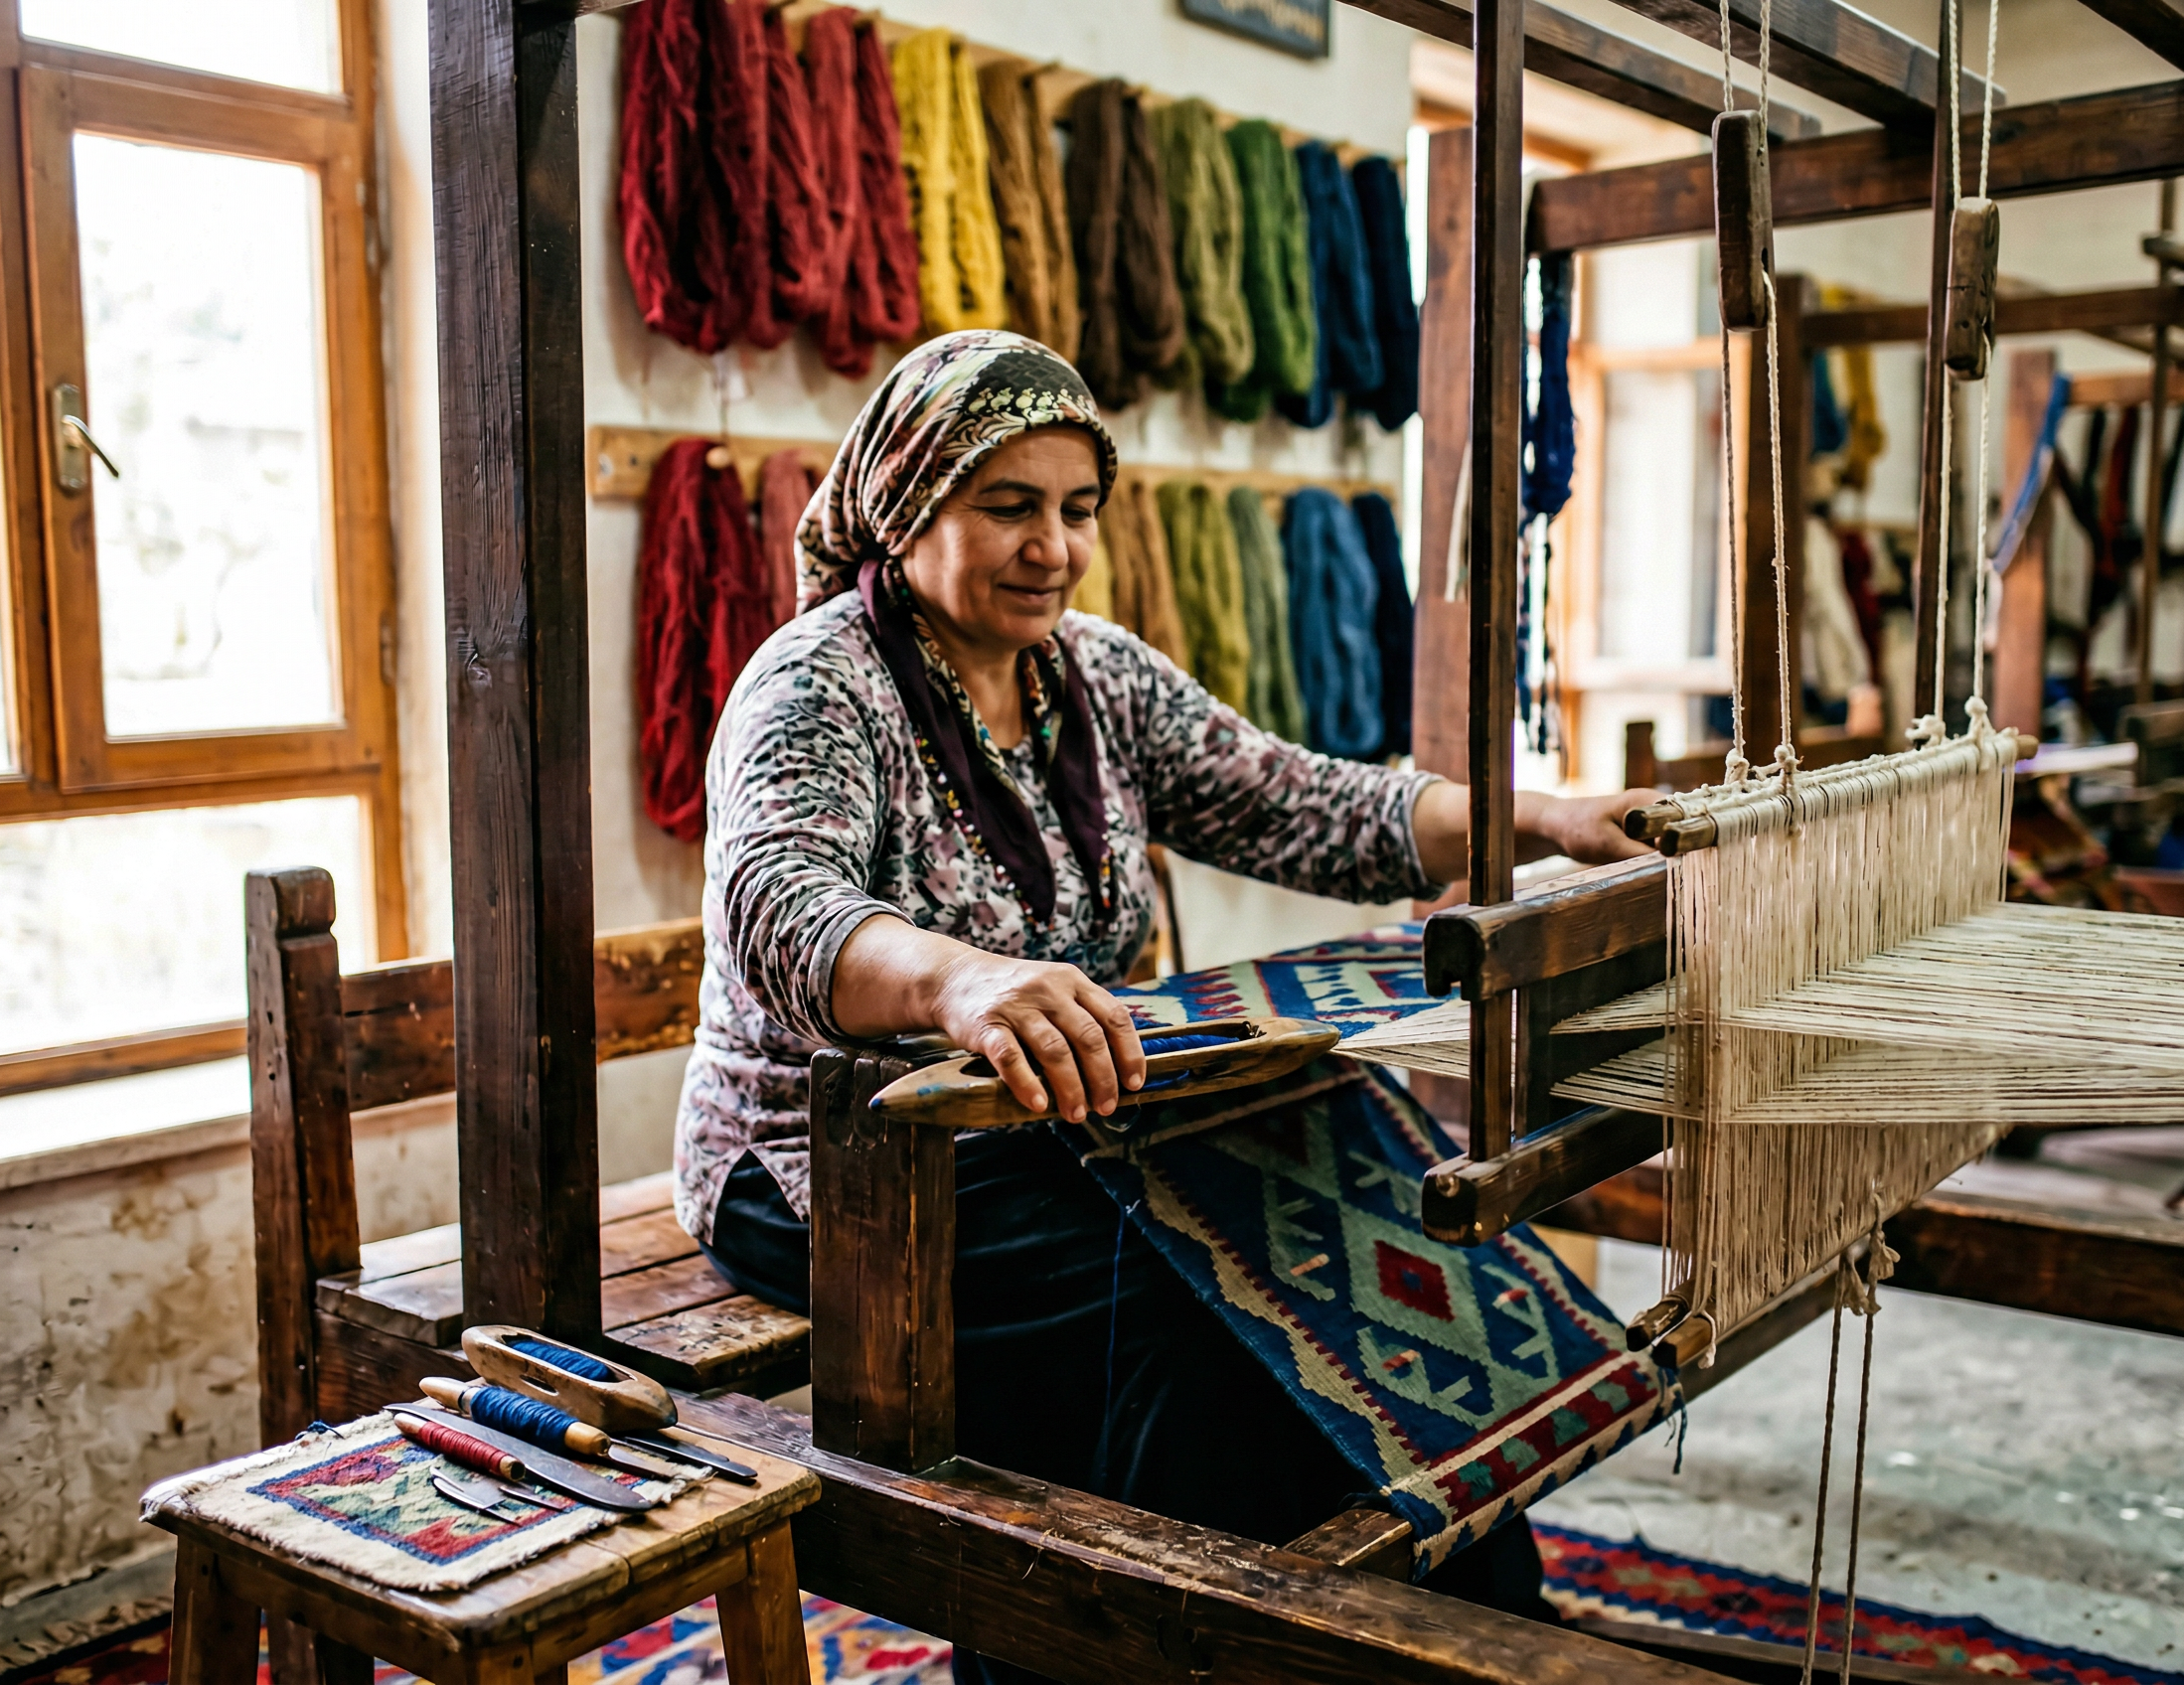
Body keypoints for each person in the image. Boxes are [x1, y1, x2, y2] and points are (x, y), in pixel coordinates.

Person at [675, 330, 1646, 1681]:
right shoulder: (815, 685)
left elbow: (1305, 800)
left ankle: (1472, 1630)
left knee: (1353, 1203)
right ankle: (1106, 1640)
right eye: (1007, 506)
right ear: (907, 508)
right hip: (831, 1164)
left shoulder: (1092, 676)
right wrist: (960, 976)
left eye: (1077, 511)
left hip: (1047, 1128)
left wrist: (1544, 813)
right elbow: (779, 903)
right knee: (1201, 1304)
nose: (1053, 549)